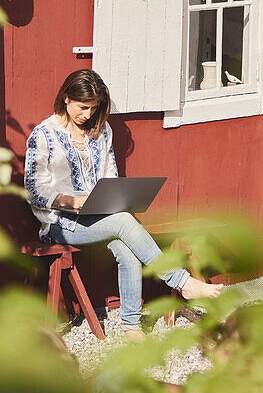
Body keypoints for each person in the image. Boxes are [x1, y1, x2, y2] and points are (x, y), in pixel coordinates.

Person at [24, 68, 223, 340]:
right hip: (60, 223)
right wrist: (70, 202)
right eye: (83, 107)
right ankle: (182, 282)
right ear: (66, 99)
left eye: (94, 108)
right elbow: (34, 190)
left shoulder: (101, 130)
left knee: (127, 247)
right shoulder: (43, 134)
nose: (88, 115)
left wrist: (112, 198)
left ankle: (131, 327)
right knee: (124, 222)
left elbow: (110, 176)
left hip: (100, 216)